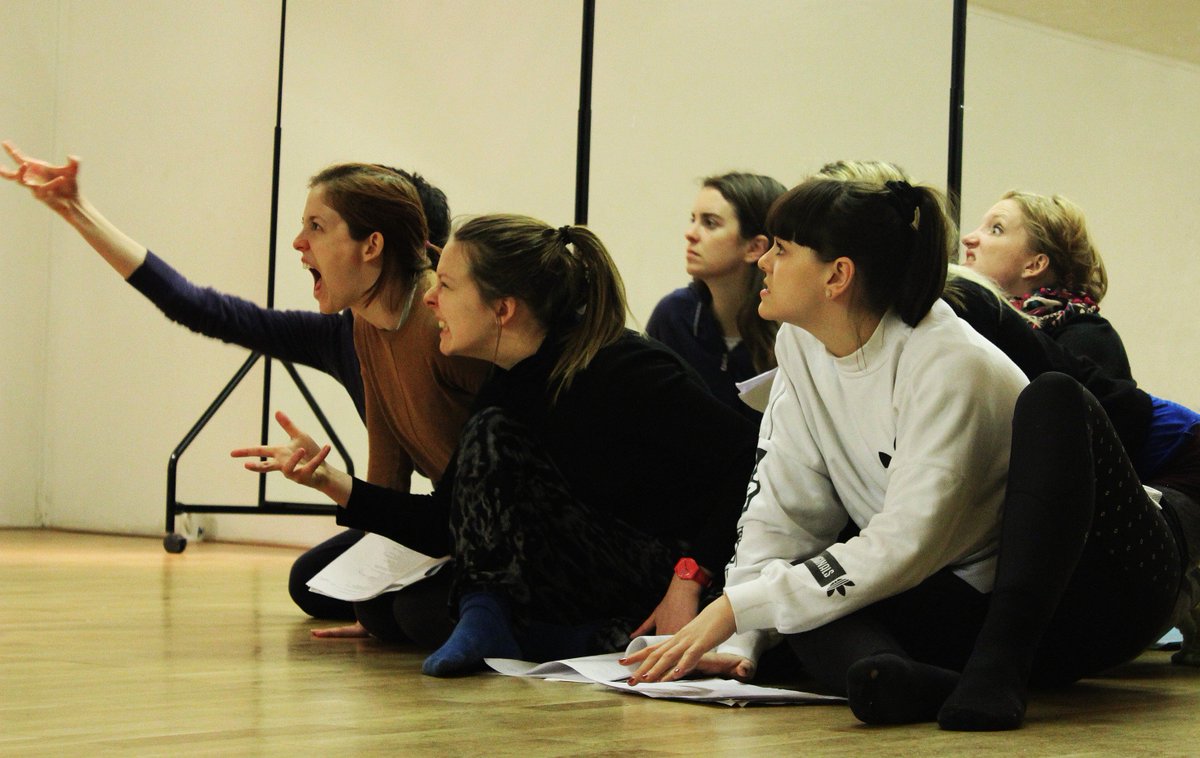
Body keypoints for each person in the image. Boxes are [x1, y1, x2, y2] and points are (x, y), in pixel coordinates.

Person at [623, 175, 1200, 731]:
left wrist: (734, 607)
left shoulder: (946, 359)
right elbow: (783, 511)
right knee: (801, 603)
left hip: (1104, 589)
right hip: (973, 600)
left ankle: (997, 670)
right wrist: (741, 637)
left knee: (1055, 397)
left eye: (781, 249)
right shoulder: (801, 342)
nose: (764, 263)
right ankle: (907, 682)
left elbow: (907, 541)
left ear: (837, 275)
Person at [0, 142, 488, 641]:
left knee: (410, 612)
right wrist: (79, 212)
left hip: (486, 518)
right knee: (322, 586)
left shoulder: (443, 329)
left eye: (317, 227)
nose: (299, 243)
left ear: (376, 245)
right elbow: (200, 307)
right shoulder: (359, 327)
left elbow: (505, 456)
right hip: (442, 518)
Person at [234, 213, 758, 677]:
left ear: (503, 308)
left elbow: (750, 464)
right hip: (588, 569)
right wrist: (330, 481)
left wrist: (688, 577)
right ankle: (540, 631)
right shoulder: (509, 379)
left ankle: (537, 629)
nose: (431, 298)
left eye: (446, 285)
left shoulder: (627, 369)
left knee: (486, 449)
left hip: (677, 569)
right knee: (405, 611)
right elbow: (446, 521)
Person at [646, 172, 785, 419]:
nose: (690, 233)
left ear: (755, 247)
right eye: (693, 219)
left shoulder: (791, 330)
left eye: (710, 223)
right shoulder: (673, 316)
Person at [960, 190, 1132, 380]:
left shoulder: (1088, 336)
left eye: (996, 229)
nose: (968, 239)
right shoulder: (964, 324)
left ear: (1034, 265)